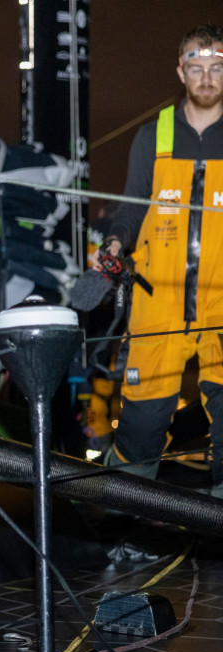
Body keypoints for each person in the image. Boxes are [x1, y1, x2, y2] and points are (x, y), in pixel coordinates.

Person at [100, 24, 223, 492]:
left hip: (221, 303)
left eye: (217, 68)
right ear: (180, 71)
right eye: (197, 67)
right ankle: (122, 518)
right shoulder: (154, 136)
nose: (207, 78)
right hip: (158, 303)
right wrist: (113, 246)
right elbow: (131, 207)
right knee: (141, 425)